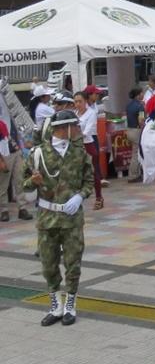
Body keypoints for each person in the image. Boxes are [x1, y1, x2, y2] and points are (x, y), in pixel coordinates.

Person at [23, 110, 94, 327]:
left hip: (72, 219)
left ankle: (70, 305)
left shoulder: (79, 153)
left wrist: (80, 196)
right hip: (47, 218)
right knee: (48, 265)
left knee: (73, 263)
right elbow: (24, 185)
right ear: (65, 128)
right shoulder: (38, 154)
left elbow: (89, 181)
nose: (79, 130)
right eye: (76, 126)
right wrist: (33, 182)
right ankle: (56, 306)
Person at [74, 92, 103, 211]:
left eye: (80, 101)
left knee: (93, 173)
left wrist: (77, 135)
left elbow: (87, 131)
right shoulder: (74, 114)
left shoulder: (91, 113)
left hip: (88, 145)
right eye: (76, 102)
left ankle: (99, 197)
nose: (78, 104)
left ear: (85, 101)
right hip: (76, 146)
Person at [125, 88, 145, 183]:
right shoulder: (140, 106)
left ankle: (136, 173)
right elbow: (141, 121)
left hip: (129, 130)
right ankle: (133, 175)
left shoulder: (128, 105)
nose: (143, 94)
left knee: (135, 152)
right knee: (136, 154)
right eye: (142, 93)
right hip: (136, 131)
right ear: (138, 95)